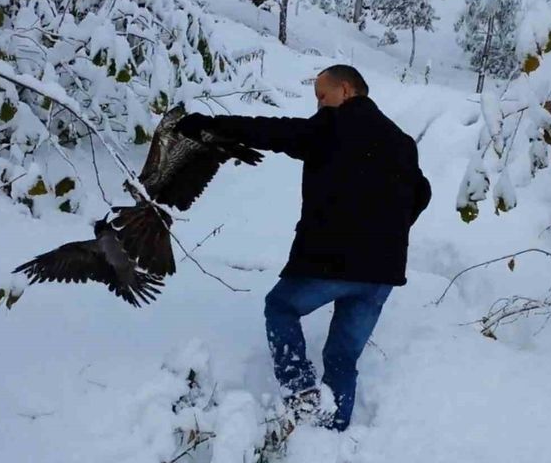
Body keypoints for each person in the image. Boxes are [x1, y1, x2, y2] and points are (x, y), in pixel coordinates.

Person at [176, 64, 431, 431]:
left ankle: (300, 394)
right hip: (382, 274)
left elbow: (272, 131)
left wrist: (210, 125)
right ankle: (331, 430)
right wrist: (388, 230)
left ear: (345, 91)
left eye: (322, 96)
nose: (319, 105)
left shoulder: (332, 125)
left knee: (281, 307)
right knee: (342, 357)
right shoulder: (402, 141)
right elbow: (422, 193)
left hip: (330, 261)